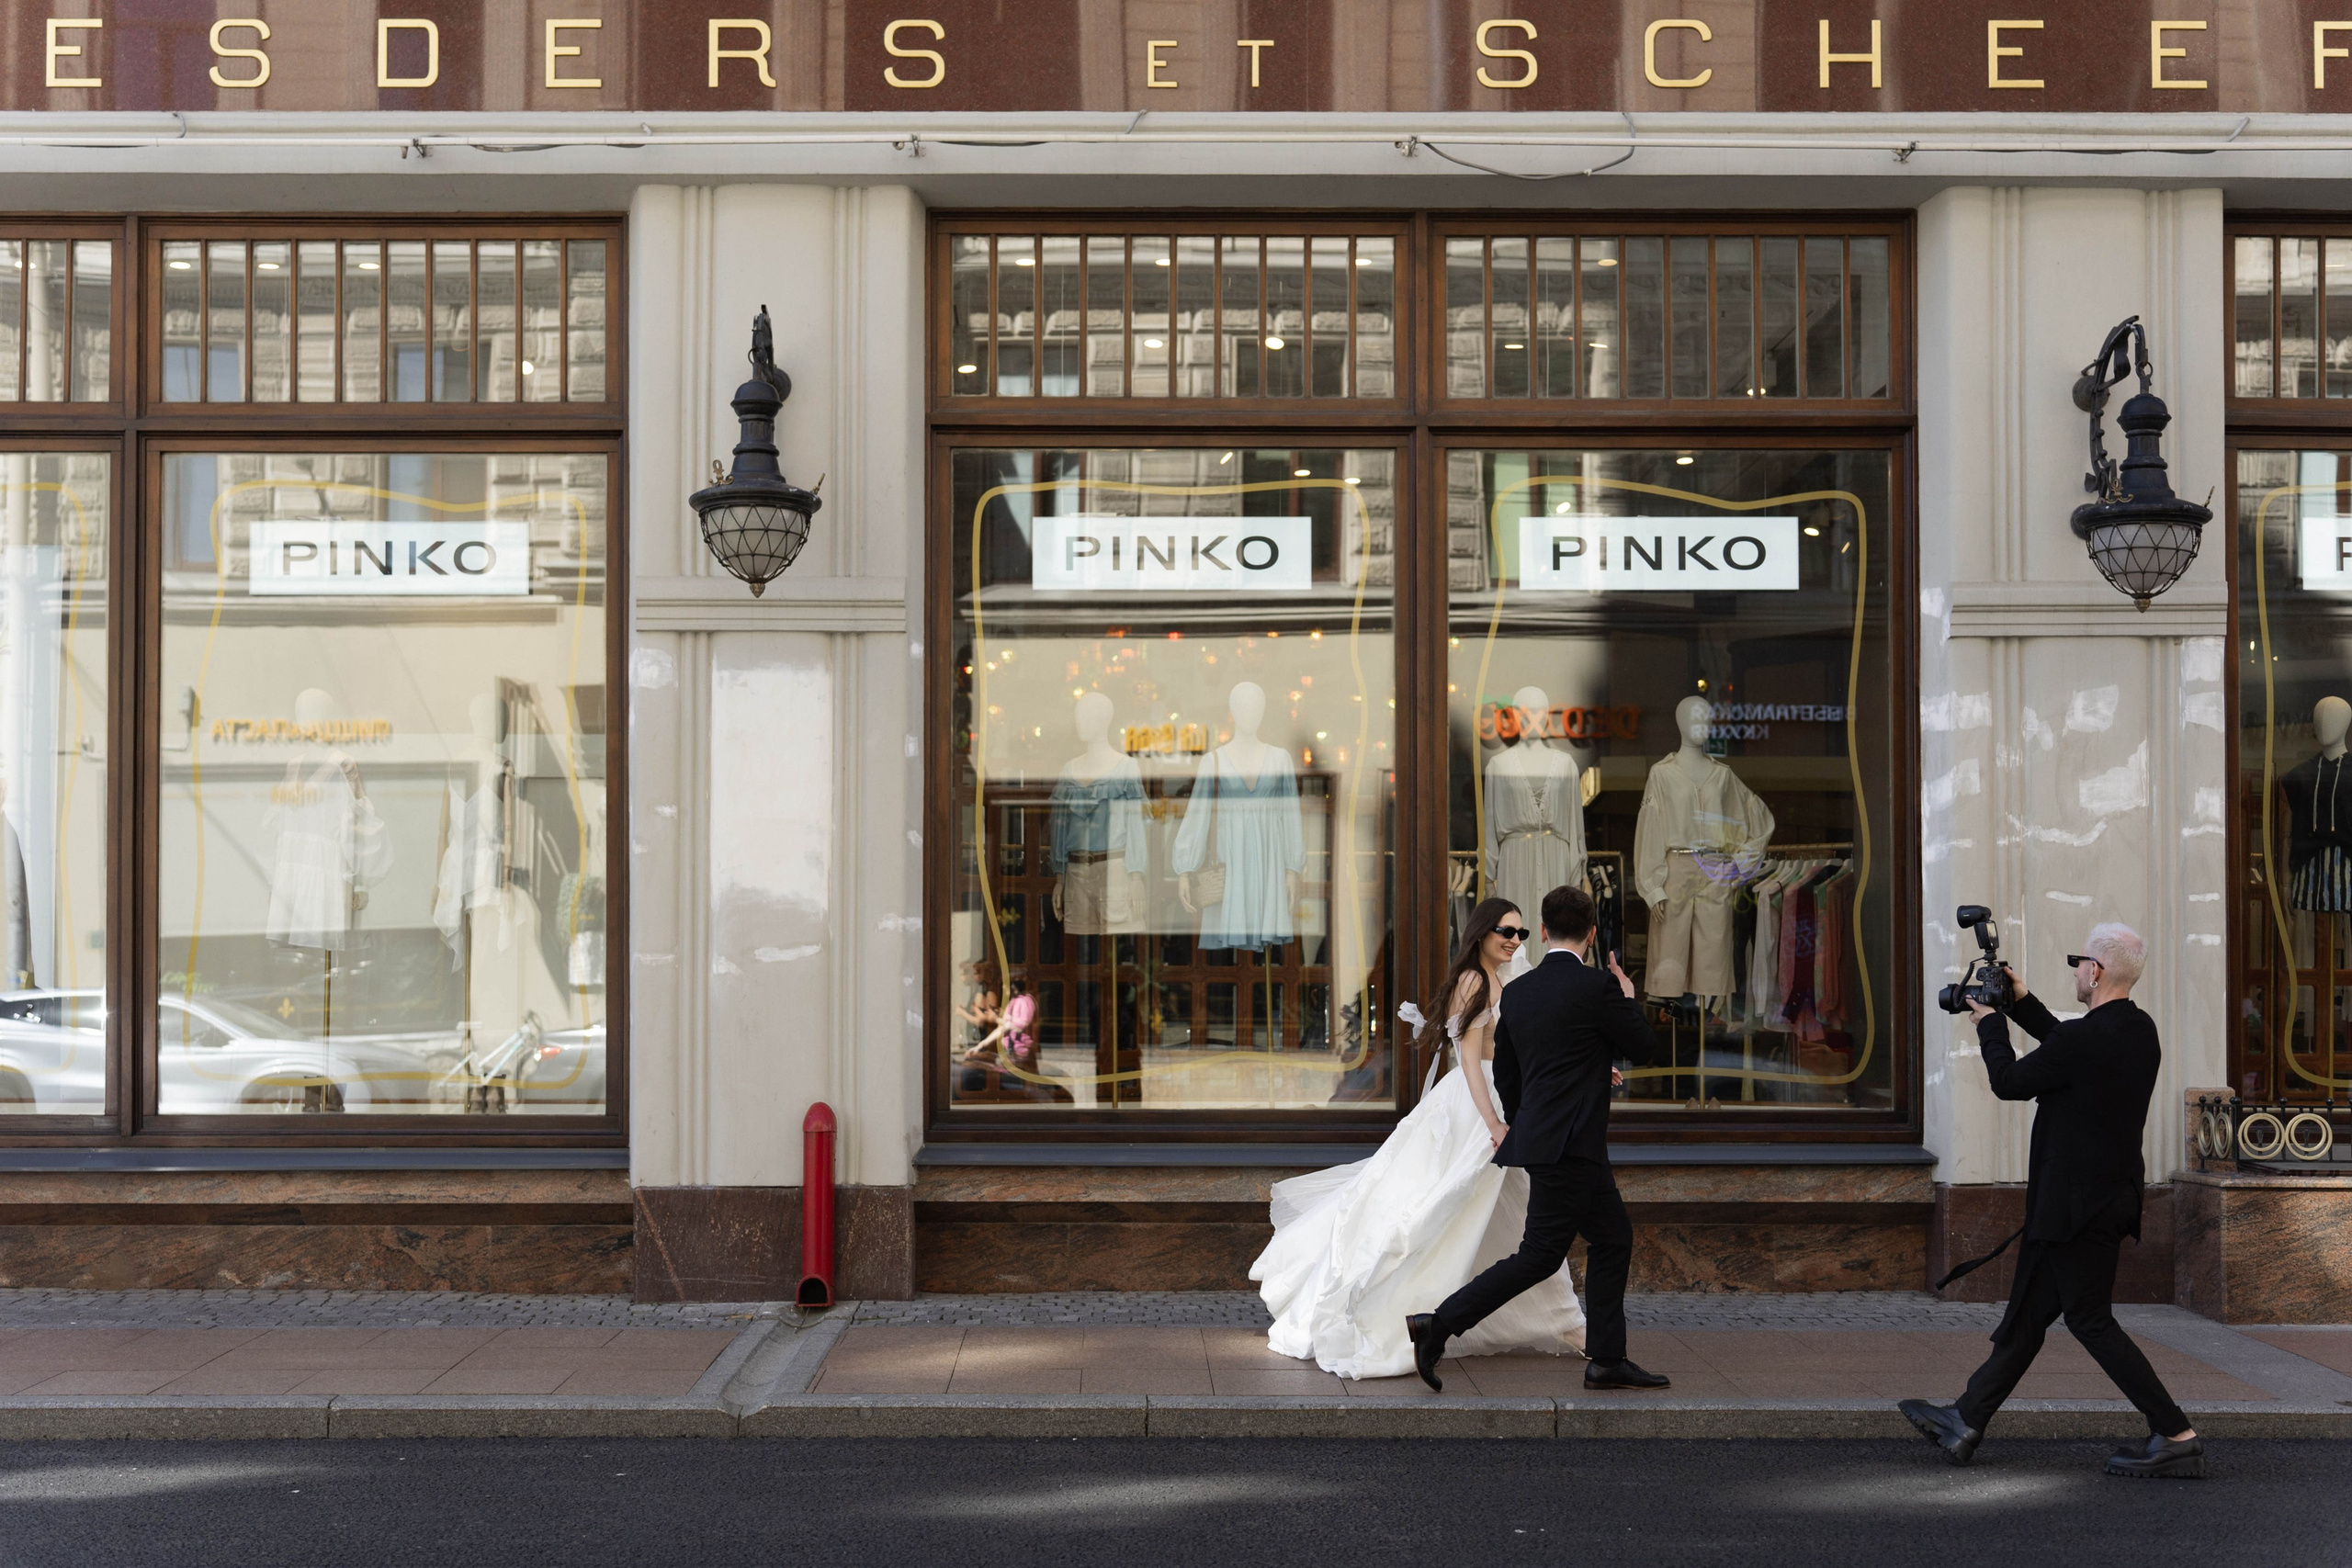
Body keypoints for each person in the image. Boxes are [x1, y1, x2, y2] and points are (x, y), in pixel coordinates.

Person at [1899, 923, 2204, 1479]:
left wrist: (1990, 1025)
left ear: (2096, 970)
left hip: (2074, 1209)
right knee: (2028, 1319)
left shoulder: (2087, 1039)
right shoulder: (2139, 1030)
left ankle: (2175, 1432)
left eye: (2077, 961)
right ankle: (1965, 1420)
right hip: (2094, 1200)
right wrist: (2021, 1003)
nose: (2073, 970)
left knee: (2089, 1320)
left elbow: (2011, 1081)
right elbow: (2069, 1048)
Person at [1250, 897, 1589, 1378]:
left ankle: (1559, 1320)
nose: (1514, 941)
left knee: (1514, 1212)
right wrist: (1491, 1122)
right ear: (1481, 933)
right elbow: (1469, 1060)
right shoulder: (1473, 981)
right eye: (1505, 932)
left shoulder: (1512, 976)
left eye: (1520, 933)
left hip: (1508, 1099)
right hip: (1475, 1106)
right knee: (1442, 1211)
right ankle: (1420, 1314)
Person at [1406, 884, 1671, 1393]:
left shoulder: (1520, 992)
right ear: (1592, 935)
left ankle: (1607, 1359)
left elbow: (1510, 1074)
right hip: (1573, 1147)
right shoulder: (1599, 988)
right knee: (1540, 1256)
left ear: (1544, 931)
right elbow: (1643, 1046)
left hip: (1557, 1143)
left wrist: (1538, 1117)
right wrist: (1628, 998)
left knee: (1614, 1237)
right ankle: (1436, 1326)